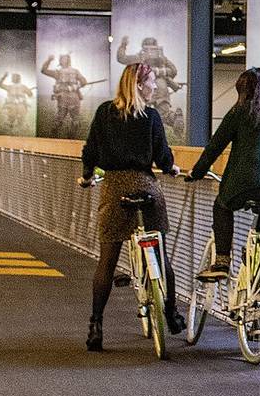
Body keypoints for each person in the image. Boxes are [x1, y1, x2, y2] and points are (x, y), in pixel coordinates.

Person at [78, 62, 183, 352]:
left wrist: (87, 177)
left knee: (108, 259)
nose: (154, 87)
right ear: (139, 85)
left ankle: (96, 326)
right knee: (161, 254)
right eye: (151, 82)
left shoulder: (104, 112)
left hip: (114, 188)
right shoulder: (151, 116)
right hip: (146, 186)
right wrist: (170, 168)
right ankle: (172, 314)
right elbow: (162, 156)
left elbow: (91, 151)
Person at [189, 67, 260, 280]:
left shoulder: (241, 111)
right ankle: (258, 283)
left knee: (222, 206)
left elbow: (215, 146)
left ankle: (221, 262)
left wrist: (198, 171)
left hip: (245, 186)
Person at [117, 36, 183, 136]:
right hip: (161, 86)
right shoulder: (162, 59)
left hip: (143, 88)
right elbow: (173, 71)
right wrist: (160, 71)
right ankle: (174, 118)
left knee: (140, 113)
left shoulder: (141, 57)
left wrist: (123, 45)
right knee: (163, 113)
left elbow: (122, 58)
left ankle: (146, 131)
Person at [42, 53, 93, 138]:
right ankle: (55, 138)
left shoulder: (72, 71)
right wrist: (49, 60)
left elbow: (84, 81)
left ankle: (70, 138)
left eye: (64, 59)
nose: (63, 60)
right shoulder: (58, 72)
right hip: (63, 98)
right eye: (62, 59)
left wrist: (75, 86)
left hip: (72, 97)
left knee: (73, 120)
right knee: (61, 119)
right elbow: (44, 71)